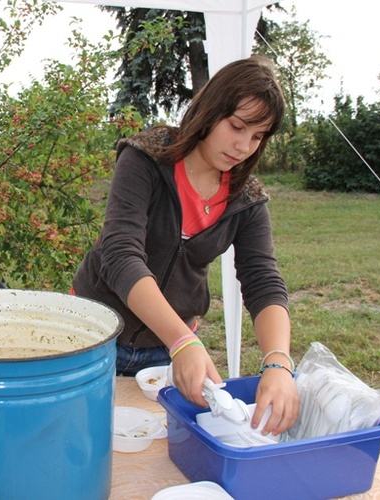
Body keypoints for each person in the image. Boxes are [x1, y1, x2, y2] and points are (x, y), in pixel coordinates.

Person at [72, 55, 299, 435]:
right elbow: (120, 254)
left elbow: (263, 281)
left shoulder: (247, 199)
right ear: (210, 110)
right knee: (79, 439)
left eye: (258, 136)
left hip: (165, 350)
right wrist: (183, 341)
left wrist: (278, 363)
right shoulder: (146, 157)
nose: (244, 146)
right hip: (93, 333)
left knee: (155, 448)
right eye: (237, 126)